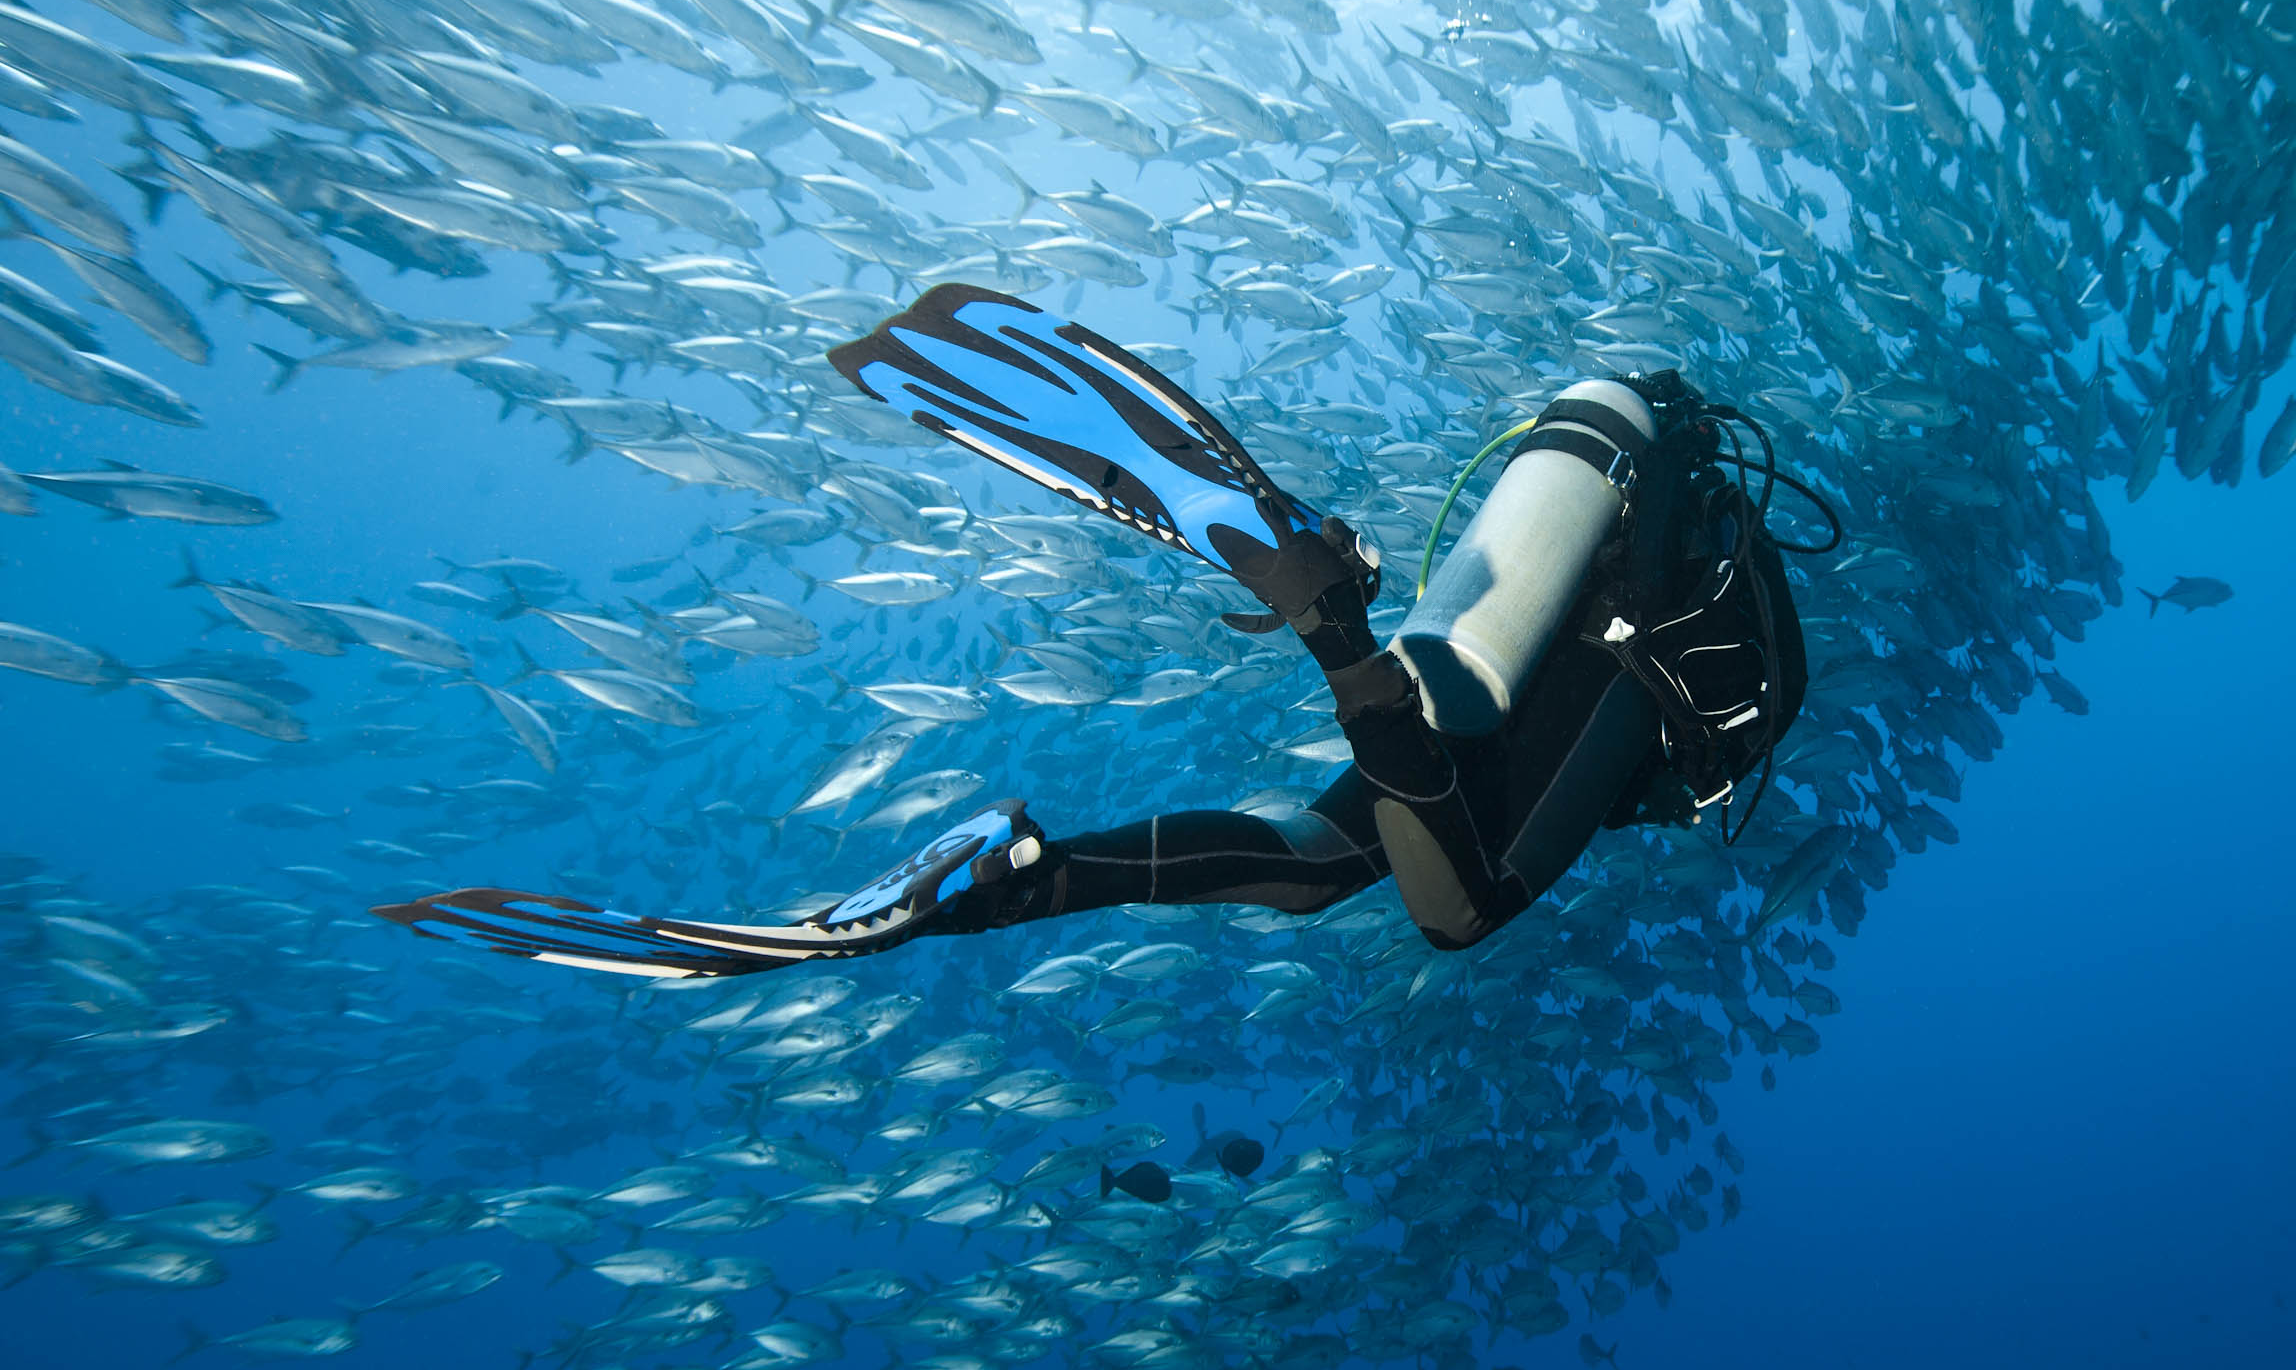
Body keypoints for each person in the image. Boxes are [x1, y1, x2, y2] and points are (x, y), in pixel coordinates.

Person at [375, 286, 1832, 979]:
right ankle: (1330, 630)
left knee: (1331, 863)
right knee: (1461, 911)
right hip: (1596, 665)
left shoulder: (1627, 475)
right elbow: (1684, 719)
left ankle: (1025, 875)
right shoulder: (1711, 546)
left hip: (1489, 645)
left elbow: (1504, 603)